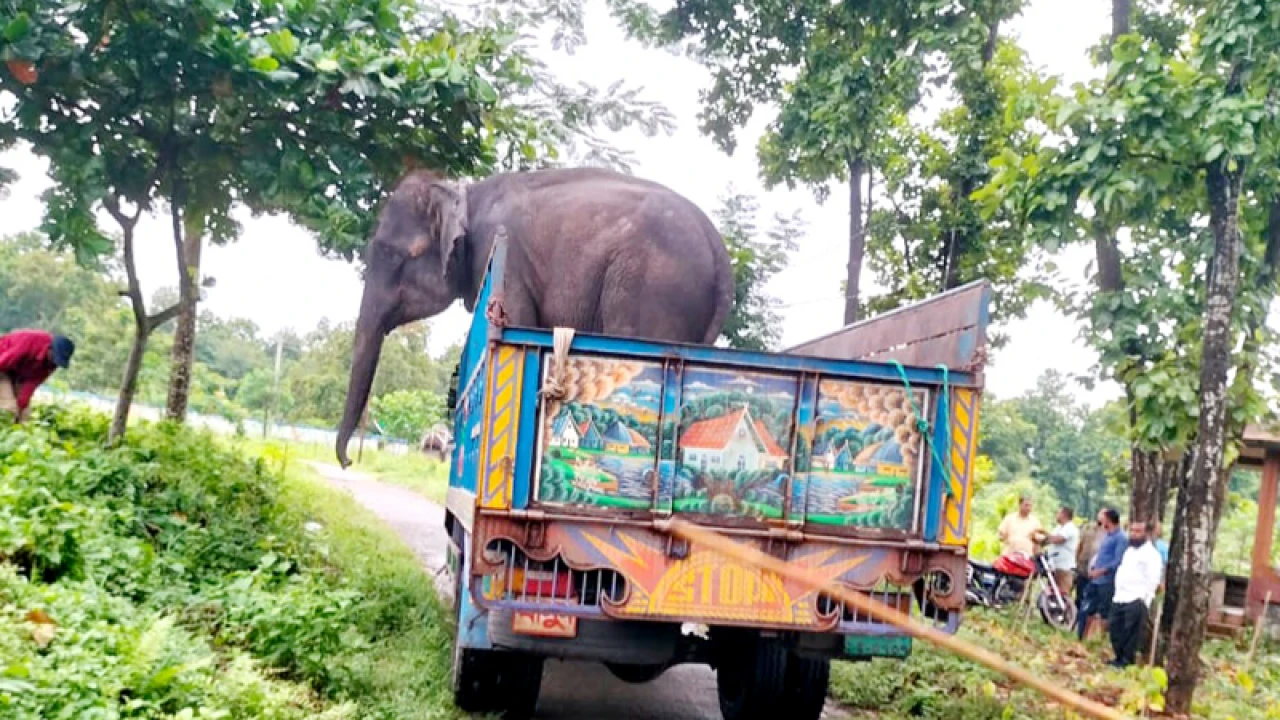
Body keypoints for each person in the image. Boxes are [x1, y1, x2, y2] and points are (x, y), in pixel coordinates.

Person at [1107, 520, 1164, 667]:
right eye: (1131, 531)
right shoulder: (1129, 551)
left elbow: (1153, 580)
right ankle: (1118, 658)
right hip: (1120, 597)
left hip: (1136, 598)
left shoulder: (1151, 554)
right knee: (1115, 629)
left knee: (1131, 633)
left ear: (1146, 533)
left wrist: (1144, 599)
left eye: (1138, 531)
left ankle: (1126, 661)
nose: (1133, 534)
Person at [0, 330, 75, 423]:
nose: (54, 362)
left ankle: (18, 433)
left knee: (24, 413)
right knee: (9, 407)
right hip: (2, 364)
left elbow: (31, 384)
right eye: (55, 357)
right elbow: (3, 361)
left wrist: (21, 405)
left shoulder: (52, 364)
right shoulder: (29, 341)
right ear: (49, 348)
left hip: (17, 373)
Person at [1076, 507, 1126, 639]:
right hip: (1095, 579)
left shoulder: (1120, 538)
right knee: (1085, 609)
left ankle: (1100, 639)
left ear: (1108, 519)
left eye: (1103, 517)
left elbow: (1117, 561)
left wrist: (1101, 571)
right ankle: (1081, 637)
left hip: (1107, 581)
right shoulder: (1107, 535)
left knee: (1104, 612)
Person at [1075, 509, 1107, 610]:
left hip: (1098, 571)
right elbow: (1080, 545)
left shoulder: (1110, 533)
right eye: (1100, 513)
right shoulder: (1089, 528)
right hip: (1083, 567)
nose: (1102, 517)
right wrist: (1077, 560)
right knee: (1080, 594)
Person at [1044, 506, 1080, 595]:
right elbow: (1049, 540)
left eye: (1058, 513)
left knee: (1063, 592)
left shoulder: (1070, 528)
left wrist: (1044, 534)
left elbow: (1058, 539)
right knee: (1052, 591)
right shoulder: (1058, 528)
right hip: (1054, 565)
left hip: (1064, 567)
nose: (1056, 515)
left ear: (1064, 515)